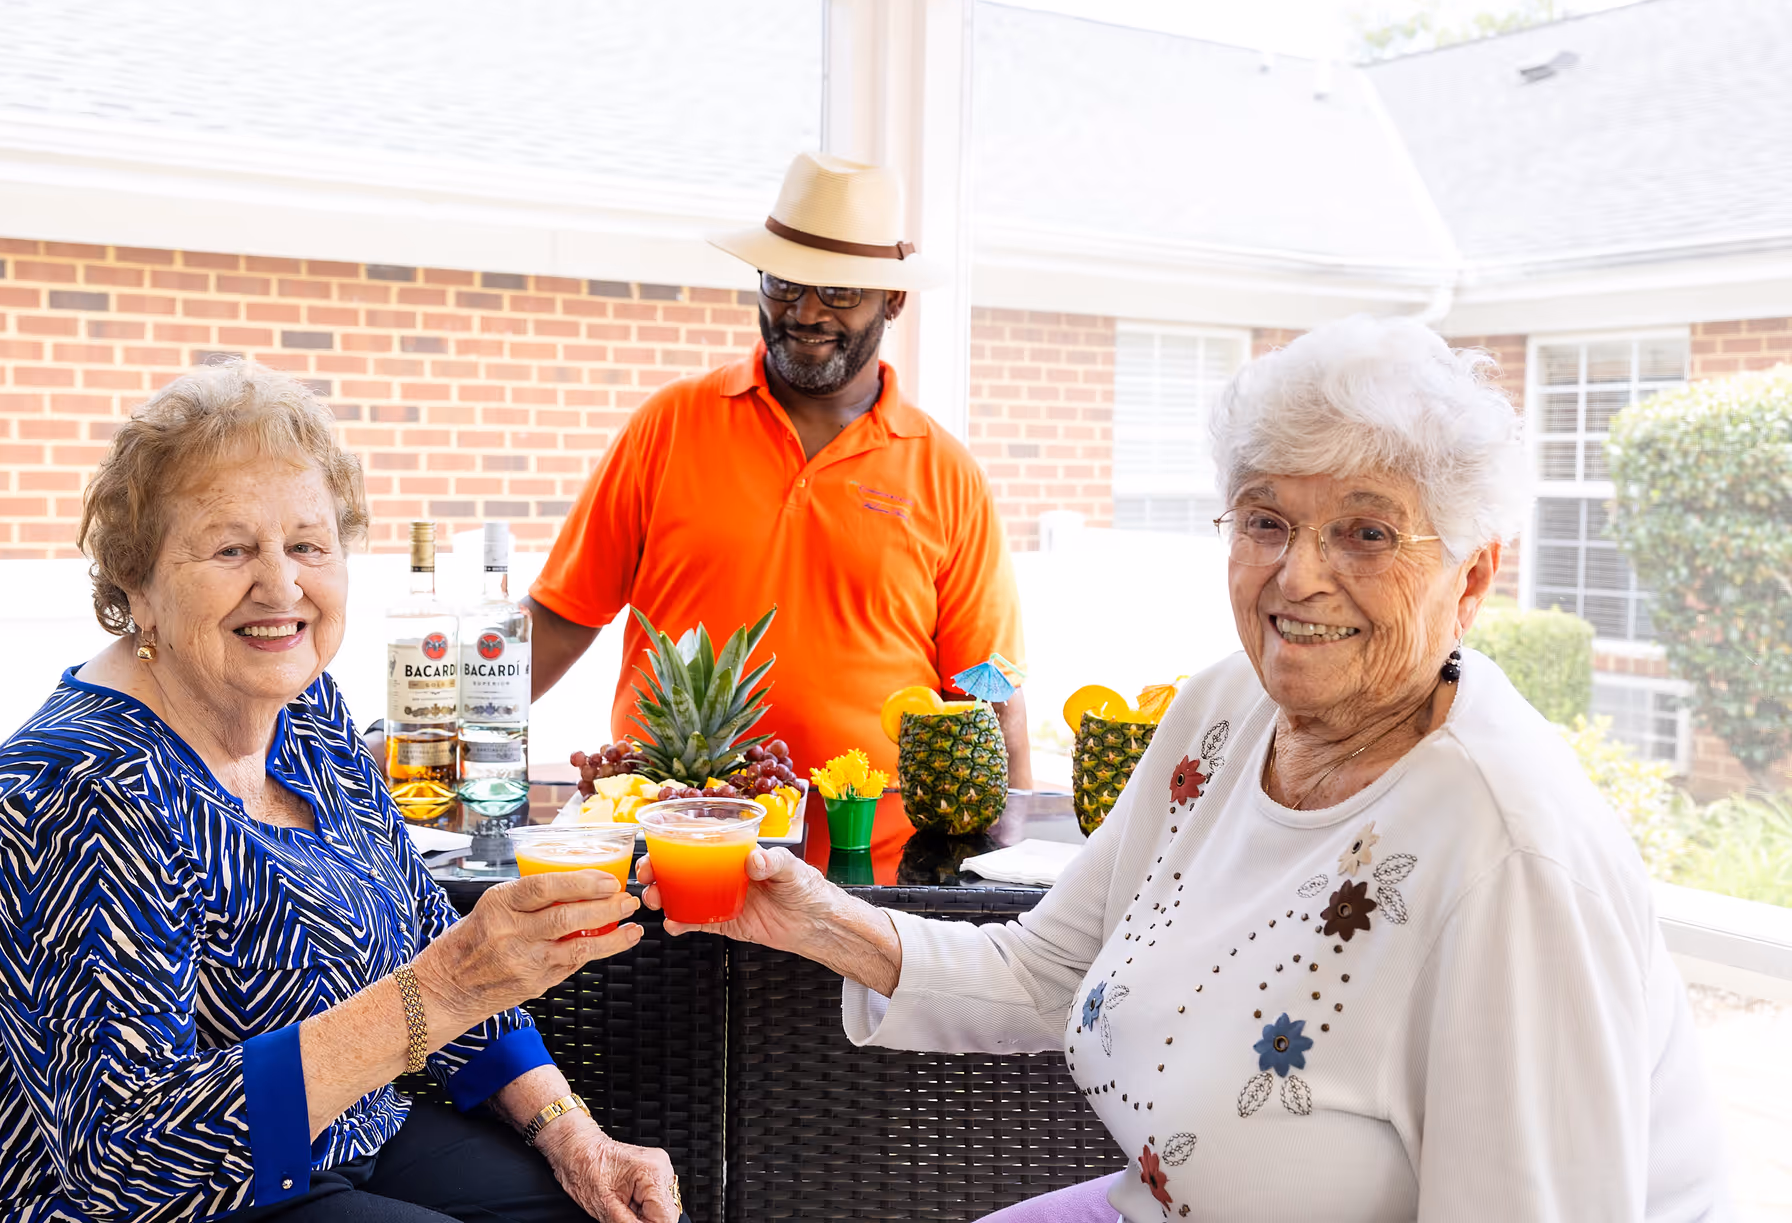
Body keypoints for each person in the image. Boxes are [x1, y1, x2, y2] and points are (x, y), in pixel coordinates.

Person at [638, 316, 1730, 1221]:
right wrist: (813, 918)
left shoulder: (1514, 860)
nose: (1298, 578)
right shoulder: (1227, 708)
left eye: (1365, 532)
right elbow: (1050, 970)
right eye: (1267, 519)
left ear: (1472, 574)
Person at [0, 363, 683, 1223]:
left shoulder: (304, 714)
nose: (282, 586)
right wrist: (446, 988)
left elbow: (424, 934)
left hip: (348, 1139)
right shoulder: (70, 793)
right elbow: (128, 1156)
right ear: (134, 586)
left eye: (307, 544)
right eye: (230, 549)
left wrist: (574, 1136)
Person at [522, 151, 1031, 858]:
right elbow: (559, 617)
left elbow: (989, 686)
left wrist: (1007, 860)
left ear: (894, 300)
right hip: (673, 842)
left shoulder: (947, 471)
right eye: (785, 283)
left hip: (867, 864)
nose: (807, 311)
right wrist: (435, 731)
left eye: (841, 292)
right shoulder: (668, 425)